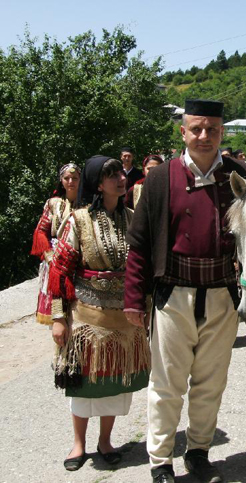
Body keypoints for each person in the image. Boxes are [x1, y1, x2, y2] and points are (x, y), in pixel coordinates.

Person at [124, 99, 246, 483]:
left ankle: (198, 453)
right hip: (173, 296)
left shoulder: (240, 176)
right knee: (167, 385)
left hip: (221, 296)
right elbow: (140, 245)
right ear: (182, 132)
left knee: (211, 383)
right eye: (196, 128)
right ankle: (161, 461)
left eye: (212, 129)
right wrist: (134, 300)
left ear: (222, 132)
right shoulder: (160, 179)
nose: (203, 136)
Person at [48, 155, 150, 472]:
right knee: (84, 385)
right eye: (111, 174)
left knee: (113, 386)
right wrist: (57, 317)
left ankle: (105, 442)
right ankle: (78, 444)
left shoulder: (133, 218)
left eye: (121, 173)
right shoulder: (77, 221)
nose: (120, 178)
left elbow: (143, 267)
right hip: (86, 320)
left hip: (125, 318)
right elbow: (59, 271)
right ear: (97, 183)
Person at [31, 163, 81, 325]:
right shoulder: (53, 203)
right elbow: (40, 232)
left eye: (75, 178)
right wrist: (50, 257)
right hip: (55, 259)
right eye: (67, 178)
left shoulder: (88, 204)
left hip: (78, 259)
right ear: (61, 181)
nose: (71, 181)